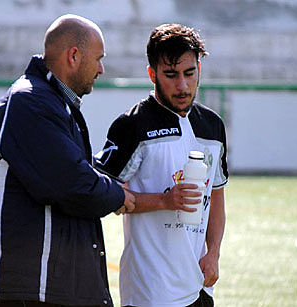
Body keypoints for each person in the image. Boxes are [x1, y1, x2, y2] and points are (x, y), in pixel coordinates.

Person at [0, 14, 139, 307]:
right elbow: (71, 184)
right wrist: (120, 196)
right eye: (99, 58)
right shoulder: (29, 101)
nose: (102, 69)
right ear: (74, 56)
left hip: (37, 286)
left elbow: (75, 171)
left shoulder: (51, 102)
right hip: (22, 289)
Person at [95, 23, 229, 306]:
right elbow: (102, 195)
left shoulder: (213, 126)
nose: (182, 85)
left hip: (199, 287)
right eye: (170, 75)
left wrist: (213, 252)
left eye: (189, 73)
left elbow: (216, 195)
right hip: (150, 291)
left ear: (199, 71)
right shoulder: (132, 125)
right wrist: (164, 200)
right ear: (152, 74)